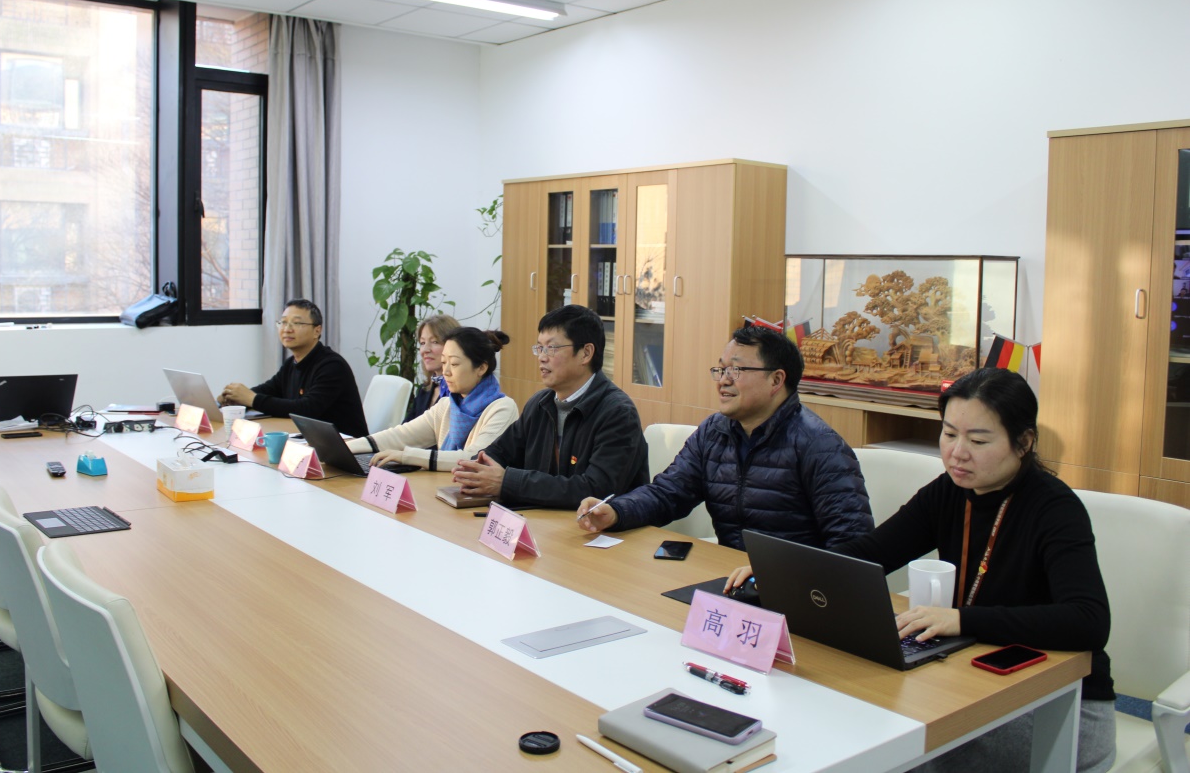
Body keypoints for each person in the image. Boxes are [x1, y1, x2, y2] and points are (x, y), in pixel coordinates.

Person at [726, 367, 1116, 773]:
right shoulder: (951, 491)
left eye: (978, 440)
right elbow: (872, 553)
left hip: (1058, 705)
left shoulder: (1055, 509)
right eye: (949, 434)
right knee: (837, 717)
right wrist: (784, 567)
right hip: (972, 680)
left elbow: (1088, 621)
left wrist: (960, 619)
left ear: (1024, 442)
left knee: (891, 751)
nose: (957, 452)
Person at [576, 325, 872, 550]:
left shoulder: (820, 446)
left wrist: (784, 575)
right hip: (732, 579)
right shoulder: (715, 431)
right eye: (721, 369)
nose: (723, 380)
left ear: (776, 380)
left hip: (795, 589)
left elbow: (852, 545)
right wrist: (616, 511)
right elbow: (668, 493)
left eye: (736, 370)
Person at [451, 305, 649, 509]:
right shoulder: (540, 404)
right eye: (539, 348)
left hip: (597, 527)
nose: (542, 357)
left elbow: (596, 490)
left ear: (586, 353)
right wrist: (476, 470)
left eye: (551, 348)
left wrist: (507, 482)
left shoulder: (617, 413)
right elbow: (500, 452)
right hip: (544, 520)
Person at [347, 328, 518, 471]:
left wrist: (407, 456)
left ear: (481, 368)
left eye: (454, 364)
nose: (446, 372)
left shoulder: (502, 408)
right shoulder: (447, 405)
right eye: (444, 363)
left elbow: (473, 458)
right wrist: (347, 448)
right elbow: (401, 436)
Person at [219, 298, 367, 437]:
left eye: (296, 323)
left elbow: (307, 409)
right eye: (283, 322)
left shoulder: (332, 366)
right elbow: (269, 389)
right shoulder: (291, 363)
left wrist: (252, 399)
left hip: (345, 446)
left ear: (317, 331)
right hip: (307, 440)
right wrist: (235, 397)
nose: (287, 329)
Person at [405, 314, 460, 423]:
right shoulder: (424, 389)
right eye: (422, 343)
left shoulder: (463, 393)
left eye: (435, 342)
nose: (425, 350)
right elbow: (405, 428)